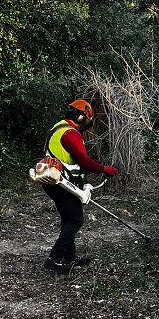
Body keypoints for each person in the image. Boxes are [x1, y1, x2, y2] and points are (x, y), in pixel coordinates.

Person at [41, 99, 119, 274]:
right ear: (81, 117)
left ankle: (69, 257)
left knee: (68, 218)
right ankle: (55, 258)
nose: (88, 126)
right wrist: (104, 169)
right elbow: (84, 161)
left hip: (53, 181)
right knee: (76, 220)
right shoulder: (71, 133)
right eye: (88, 122)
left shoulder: (56, 128)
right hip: (62, 183)